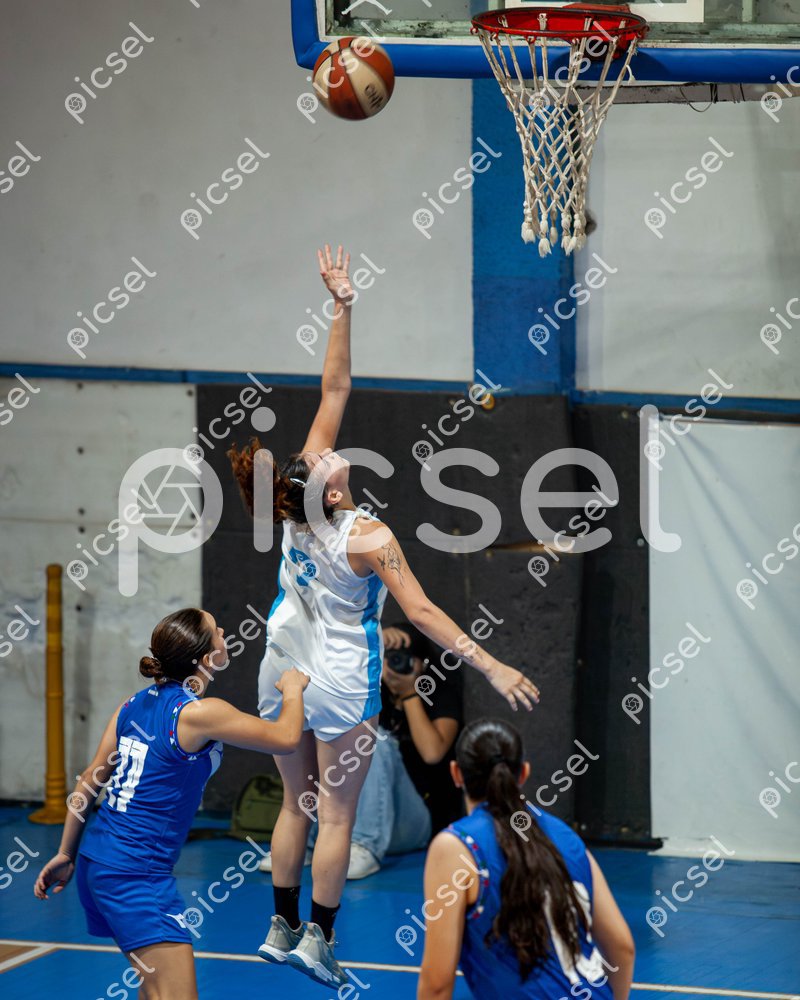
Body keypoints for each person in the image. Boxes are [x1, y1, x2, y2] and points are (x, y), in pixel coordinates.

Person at [227, 244, 540, 989]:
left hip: (282, 668)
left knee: (296, 804)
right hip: (340, 677)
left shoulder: (297, 504)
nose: (330, 452)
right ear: (332, 491)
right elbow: (422, 611)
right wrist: (491, 664)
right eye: (329, 462)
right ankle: (318, 938)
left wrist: (341, 306)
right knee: (335, 816)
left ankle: (278, 925)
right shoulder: (368, 537)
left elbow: (335, 385)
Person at [33, 608, 308, 1000]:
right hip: (135, 876)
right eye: (216, 630)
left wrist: (66, 852)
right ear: (207, 657)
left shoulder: (132, 705)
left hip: (97, 861)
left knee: (154, 989)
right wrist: (294, 690)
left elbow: (89, 779)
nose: (224, 630)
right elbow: (287, 738)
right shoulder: (200, 714)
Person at [418, 719, 635, 1000]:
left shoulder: (455, 847)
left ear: (456, 773)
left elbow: (436, 985)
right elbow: (622, 947)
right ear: (524, 773)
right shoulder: (564, 834)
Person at [257, 620, 464, 879]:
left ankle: (366, 846)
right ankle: (304, 843)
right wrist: (372, 641)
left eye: (403, 658)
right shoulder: (371, 689)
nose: (394, 664)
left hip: (413, 822)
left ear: (421, 664)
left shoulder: (439, 693)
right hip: (348, 820)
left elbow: (433, 753)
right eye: (388, 657)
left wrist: (410, 695)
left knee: (373, 738)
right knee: (333, 738)